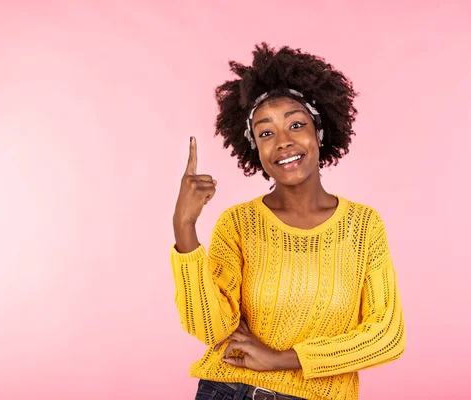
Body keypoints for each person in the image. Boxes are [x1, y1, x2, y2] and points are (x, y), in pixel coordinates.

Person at [170, 43, 406, 400]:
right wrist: (184, 228)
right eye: (266, 133)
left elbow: (387, 335)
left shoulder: (363, 226)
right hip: (231, 390)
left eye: (296, 125)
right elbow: (212, 328)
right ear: (255, 148)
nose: (283, 142)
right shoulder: (238, 224)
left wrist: (285, 359)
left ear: (319, 132)